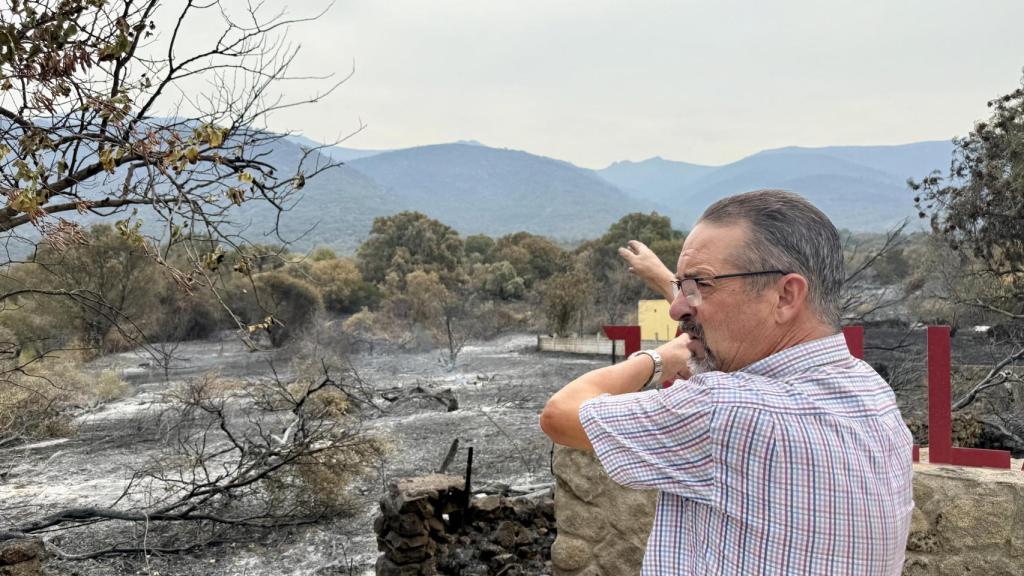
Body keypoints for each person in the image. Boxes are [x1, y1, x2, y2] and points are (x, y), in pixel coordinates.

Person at [540, 190, 913, 575]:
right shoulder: (871, 392)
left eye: (700, 283)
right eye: (683, 286)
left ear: (786, 295)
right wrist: (672, 282)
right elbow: (726, 318)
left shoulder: (725, 410)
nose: (676, 307)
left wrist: (659, 359)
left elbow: (560, 415)